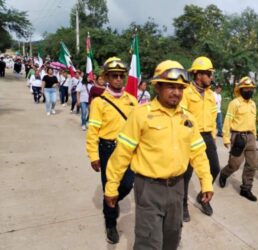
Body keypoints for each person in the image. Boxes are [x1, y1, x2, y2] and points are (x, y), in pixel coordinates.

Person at [104, 60, 213, 249]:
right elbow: (122, 153)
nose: (177, 92)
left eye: (180, 88)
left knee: (172, 238)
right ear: (158, 86)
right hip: (149, 188)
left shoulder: (188, 118)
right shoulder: (141, 115)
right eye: (171, 86)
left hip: (178, 188)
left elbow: (198, 153)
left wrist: (206, 182)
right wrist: (112, 186)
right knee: (149, 242)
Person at [86, 57, 137, 244]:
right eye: (114, 75)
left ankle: (110, 202)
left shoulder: (132, 101)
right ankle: (110, 223)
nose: (118, 79)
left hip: (128, 150)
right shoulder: (99, 102)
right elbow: (93, 131)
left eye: (121, 76)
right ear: (107, 77)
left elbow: (139, 128)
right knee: (110, 186)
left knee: (126, 185)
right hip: (107, 150)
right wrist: (93, 155)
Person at [180, 56, 220, 222]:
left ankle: (203, 196)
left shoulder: (211, 95)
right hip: (190, 136)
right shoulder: (186, 92)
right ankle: (182, 204)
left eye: (211, 73)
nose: (211, 77)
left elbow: (212, 117)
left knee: (214, 169)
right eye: (208, 73)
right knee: (186, 174)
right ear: (197, 75)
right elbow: (182, 116)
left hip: (207, 136)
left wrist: (213, 135)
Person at [219, 77, 258, 201]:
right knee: (235, 164)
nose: (249, 91)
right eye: (246, 88)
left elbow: (253, 121)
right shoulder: (234, 103)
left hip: (251, 136)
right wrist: (226, 138)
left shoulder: (253, 104)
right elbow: (227, 120)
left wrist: (255, 136)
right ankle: (224, 174)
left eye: (251, 89)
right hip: (238, 137)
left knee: (253, 164)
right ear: (240, 89)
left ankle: (246, 189)